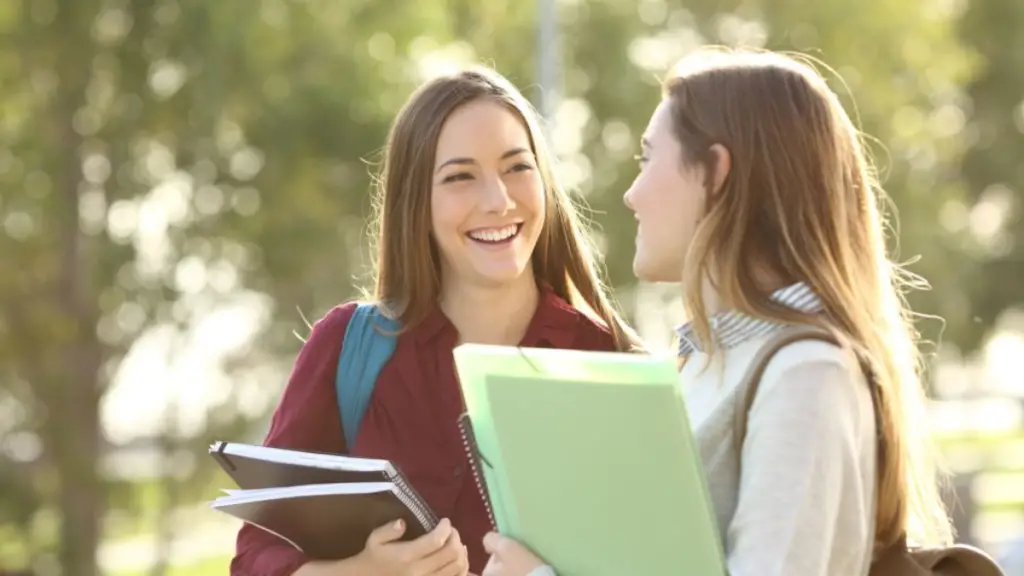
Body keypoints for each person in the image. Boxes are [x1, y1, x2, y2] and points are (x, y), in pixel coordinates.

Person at [480, 48, 954, 576]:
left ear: (716, 172)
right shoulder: (702, 363)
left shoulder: (806, 373)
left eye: (646, 158)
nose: (632, 194)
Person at [229, 65, 643, 576]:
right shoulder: (347, 348)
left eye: (517, 167)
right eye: (460, 177)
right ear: (416, 203)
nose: (498, 201)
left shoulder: (610, 365)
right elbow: (255, 555)